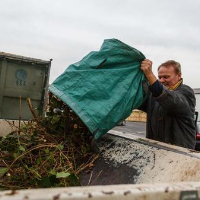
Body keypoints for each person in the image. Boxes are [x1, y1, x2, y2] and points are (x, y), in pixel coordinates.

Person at [140, 59, 196, 149]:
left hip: (179, 153)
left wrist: (149, 75)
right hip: (156, 149)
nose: (161, 80)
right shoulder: (154, 95)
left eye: (166, 77)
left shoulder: (186, 92)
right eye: (160, 77)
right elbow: (137, 101)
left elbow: (171, 100)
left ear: (179, 75)